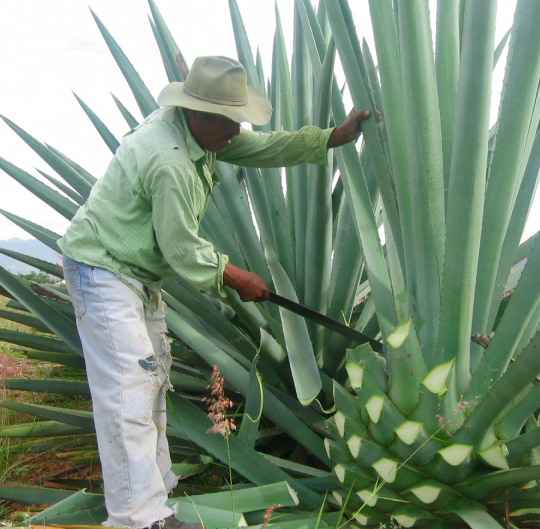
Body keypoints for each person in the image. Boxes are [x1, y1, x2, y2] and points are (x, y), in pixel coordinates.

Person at [58, 55, 369, 529]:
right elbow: (182, 250)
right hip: (102, 270)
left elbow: (257, 148)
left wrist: (328, 138)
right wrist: (237, 276)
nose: (235, 134)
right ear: (198, 115)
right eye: (229, 124)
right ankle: (136, 520)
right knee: (128, 391)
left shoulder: (197, 130)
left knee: (152, 377)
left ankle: (154, 499)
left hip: (136, 273)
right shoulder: (171, 164)